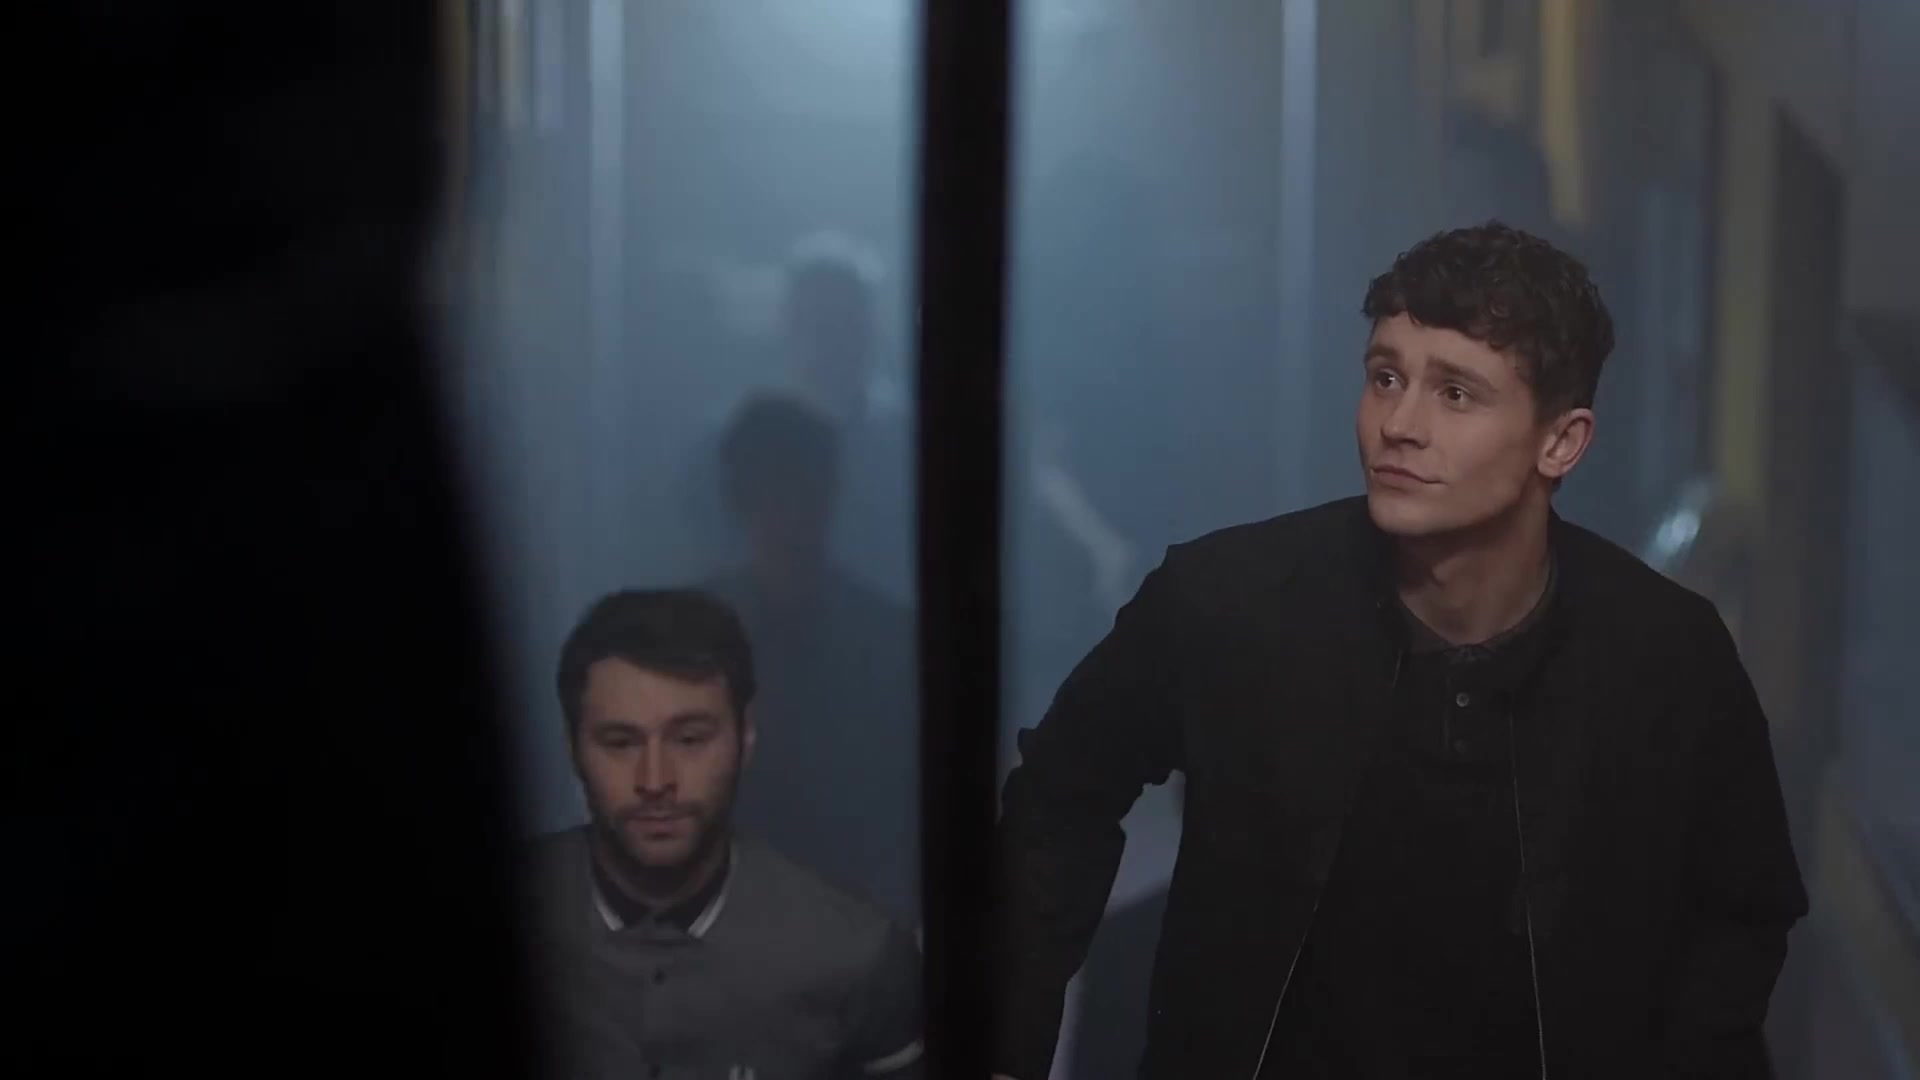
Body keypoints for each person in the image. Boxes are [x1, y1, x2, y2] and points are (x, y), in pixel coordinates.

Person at [991, 222, 1808, 1079]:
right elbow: (1058, 796)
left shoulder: (1666, 656)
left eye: (1456, 393)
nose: (1400, 425)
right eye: (1386, 377)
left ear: (1561, 442)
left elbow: (1745, 908)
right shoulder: (1227, 603)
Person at [524, 588, 923, 1080]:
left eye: (690, 739)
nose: (655, 780)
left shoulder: (858, 954)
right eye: (620, 742)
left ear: (744, 736)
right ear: (573, 748)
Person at [704, 392, 920, 921]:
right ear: (743, 498)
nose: (796, 507)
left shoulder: (890, 641)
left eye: (808, 485)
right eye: (779, 487)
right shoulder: (688, 642)